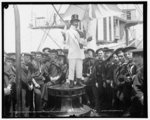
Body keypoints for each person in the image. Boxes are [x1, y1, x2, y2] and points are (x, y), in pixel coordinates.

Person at [64, 14, 88, 88]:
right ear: (71, 22)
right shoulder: (68, 31)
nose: (76, 23)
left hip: (80, 52)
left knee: (79, 67)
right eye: (74, 21)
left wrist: (84, 38)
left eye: (77, 21)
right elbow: (66, 42)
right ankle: (71, 81)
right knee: (71, 68)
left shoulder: (81, 32)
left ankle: (79, 81)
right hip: (72, 52)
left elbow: (85, 43)